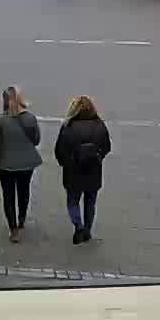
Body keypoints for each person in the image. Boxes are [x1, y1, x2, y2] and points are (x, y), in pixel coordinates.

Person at [0, 85, 43, 242]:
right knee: (24, 191)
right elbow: (36, 141)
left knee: (9, 195)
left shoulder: (0, 121)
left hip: (5, 165)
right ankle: (22, 218)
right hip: (27, 164)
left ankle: (13, 229)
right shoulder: (30, 119)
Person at [54, 94, 113, 244]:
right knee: (90, 202)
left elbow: (59, 150)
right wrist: (98, 158)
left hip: (73, 173)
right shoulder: (99, 125)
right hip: (93, 171)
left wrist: (65, 163)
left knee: (73, 201)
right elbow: (107, 147)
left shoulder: (68, 127)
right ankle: (87, 230)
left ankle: (78, 225)